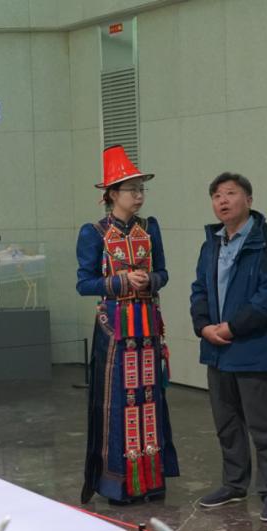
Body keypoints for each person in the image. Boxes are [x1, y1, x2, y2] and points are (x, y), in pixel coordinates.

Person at [76, 145, 178, 505]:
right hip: (115, 330)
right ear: (112, 194)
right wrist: (120, 282)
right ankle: (118, 485)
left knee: (150, 398)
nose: (138, 195)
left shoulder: (150, 228)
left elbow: (163, 272)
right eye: (131, 189)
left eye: (141, 189)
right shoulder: (94, 232)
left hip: (147, 327)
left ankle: (151, 481)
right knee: (117, 401)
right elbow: (84, 283)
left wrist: (151, 279)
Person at [190, 172, 267, 523]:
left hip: (254, 347)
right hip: (217, 347)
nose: (222, 201)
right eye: (216, 195)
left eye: (230, 193)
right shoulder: (211, 243)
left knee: (263, 425)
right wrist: (203, 326)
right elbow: (199, 289)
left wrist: (233, 327)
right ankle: (234, 484)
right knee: (227, 422)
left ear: (248, 199)